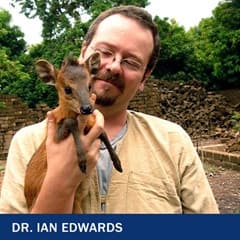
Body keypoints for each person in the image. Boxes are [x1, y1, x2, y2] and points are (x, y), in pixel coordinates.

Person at [0, 5, 219, 213]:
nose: (114, 66)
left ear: (145, 77)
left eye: (131, 62)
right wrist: (59, 184)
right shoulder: (26, 143)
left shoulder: (173, 142)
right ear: (83, 54)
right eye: (104, 52)